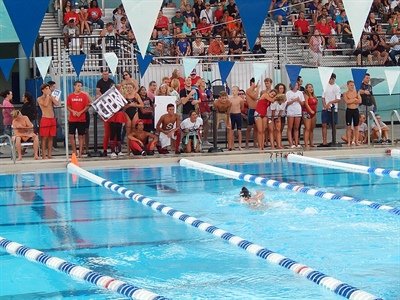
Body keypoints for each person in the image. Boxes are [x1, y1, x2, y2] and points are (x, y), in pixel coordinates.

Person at [67, 80, 90, 158]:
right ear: (74, 86)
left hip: (81, 119)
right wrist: (73, 111)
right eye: (78, 86)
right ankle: (74, 152)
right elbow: (68, 106)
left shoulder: (84, 96)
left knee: (81, 136)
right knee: (71, 135)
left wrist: (81, 112)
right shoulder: (70, 96)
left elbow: (87, 106)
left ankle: (80, 152)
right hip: (72, 119)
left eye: (80, 86)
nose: (79, 87)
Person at [95, 70, 115, 156]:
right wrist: (104, 96)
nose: (106, 75)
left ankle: (113, 149)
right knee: (107, 133)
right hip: (105, 107)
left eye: (107, 74)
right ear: (102, 75)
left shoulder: (111, 81)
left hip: (112, 110)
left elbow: (114, 90)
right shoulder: (99, 82)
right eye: (104, 74)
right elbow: (98, 91)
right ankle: (105, 149)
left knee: (113, 132)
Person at [37, 83, 59, 159]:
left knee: (51, 137)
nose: (48, 90)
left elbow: (56, 103)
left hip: (52, 118)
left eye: (48, 88)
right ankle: (43, 154)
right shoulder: (39, 98)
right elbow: (45, 104)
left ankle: (49, 154)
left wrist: (51, 97)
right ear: (42, 90)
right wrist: (47, 95)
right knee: (44, 137)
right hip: (45, 118)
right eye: (46, 89)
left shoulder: (50, 97)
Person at [319, 73, 341, 147]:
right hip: (325, 108)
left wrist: (330, 102)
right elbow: (323, 97)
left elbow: (338, 99)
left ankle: (333, 140)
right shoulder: (325, 86)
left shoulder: (336, 87)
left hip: (333, 109)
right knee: (324, 124)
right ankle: (324, 141)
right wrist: (325, 105)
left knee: (333, 125)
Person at [343, 80, 361, 147]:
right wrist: (354, 100)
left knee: (356, 127)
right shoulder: (345, 93)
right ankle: (349, 142)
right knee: (348, 127)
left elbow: (359, 101)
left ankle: (356, 141)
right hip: (349, 110)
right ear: (347, 86)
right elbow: (347, 101)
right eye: (351, 85)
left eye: (353, 85)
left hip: (355, 110)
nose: (352, 87)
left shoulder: (357, 92)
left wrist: (352, 100)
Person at [286, 83, 304, 148]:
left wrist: (298, 100)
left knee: (296, 127)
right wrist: (293, 100)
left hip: (298, 111)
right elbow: (286, 103)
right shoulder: (288, 93)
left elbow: (302, 103)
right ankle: (291, 143)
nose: (295, 86)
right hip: (291, 111)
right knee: (290, 127)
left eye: (296, 85)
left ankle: (296, 143)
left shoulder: (300, 93)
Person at [245, 78, 260, 149]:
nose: (257, 85)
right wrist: (258, 89)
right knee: (249, 127)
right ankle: (247, 143)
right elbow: (255, 97)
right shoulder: (248, 91)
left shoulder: (254, 91)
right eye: (256, 83)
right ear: (252, 83)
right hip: (251, 110)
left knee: (256, 128)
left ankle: (255, 143)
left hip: (256, 110)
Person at [302, 84, 318, 149]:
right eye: (309, 87)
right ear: (306, 89)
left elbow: (316, 104)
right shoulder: (306, 95)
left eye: (312, 87)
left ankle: (311, 142)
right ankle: (306, 143)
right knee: (307, 128)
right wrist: (310, 110)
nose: (311, 88)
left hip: (313, 113)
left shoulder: (314, 96)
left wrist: (314, 110)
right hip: (307, 112)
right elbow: (306, 104)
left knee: (312, 128)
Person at [229, 86, 244, 150]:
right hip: (232, 115)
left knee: (239, 131)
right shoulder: (230, 99)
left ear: (238, 91)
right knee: (231, 131)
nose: (233, 92)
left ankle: (240, 145)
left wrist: (239, 111)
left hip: (238, 114)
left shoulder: (240, 99)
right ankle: (232, 145)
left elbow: (242, 107)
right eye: (232, 90)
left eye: (234, 90)